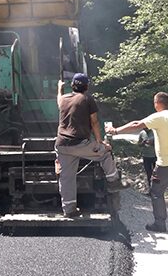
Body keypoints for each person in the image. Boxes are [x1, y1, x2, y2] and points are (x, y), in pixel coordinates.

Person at [106, 92, 168, 236]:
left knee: (156, 192)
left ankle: (160, 223)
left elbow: (136, 125)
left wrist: (115, 130)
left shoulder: (158, 116)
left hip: (165, 162)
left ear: (157, 103)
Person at [55, 73, 130, 218]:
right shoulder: (87, 99)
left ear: (72, 86)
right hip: (79, 143)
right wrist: (100, 142)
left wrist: (59, 89)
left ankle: (69, 209)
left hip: (61, 144)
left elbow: (58, 100)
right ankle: (113, 182)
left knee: (66, 178)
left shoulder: (64, 99)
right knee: (105, 153)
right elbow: (94, 122)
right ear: (87, 86)